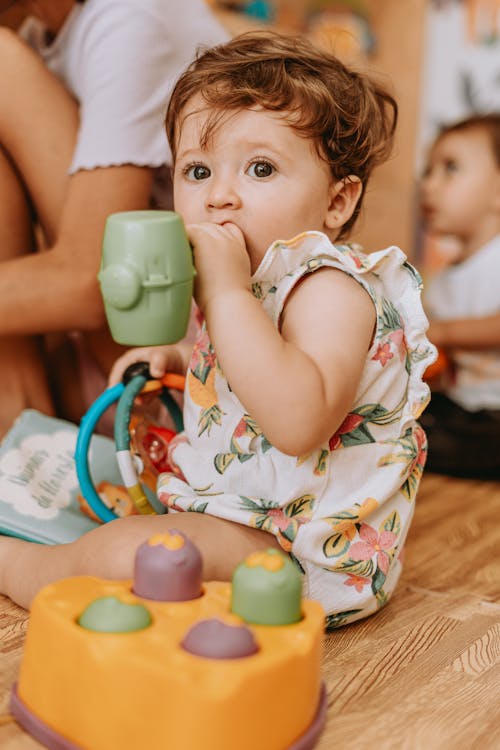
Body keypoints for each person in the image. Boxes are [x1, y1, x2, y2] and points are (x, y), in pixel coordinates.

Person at [0, 32, 436, 627]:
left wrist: (226, 293)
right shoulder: (252, 283)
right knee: (120, 512)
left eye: (260, 168)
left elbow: (297, 419)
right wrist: (181, 356)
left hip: (305, 556)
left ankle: (14, 563)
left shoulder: (333, 291)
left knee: (128, 552)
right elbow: (245, 362)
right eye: (197, 170)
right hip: (248, 516)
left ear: (337, 202)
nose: (219, 197)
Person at [0, 0, 229, 437]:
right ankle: (19, 426)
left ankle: (20, 429)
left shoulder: (131, 17)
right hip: (100, 364)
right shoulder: (40, 39)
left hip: (185, 376)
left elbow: (93, 283)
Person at [420, 113, 500, 478]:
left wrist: (442, 333)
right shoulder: (442, 278)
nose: (429, 185)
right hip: (466, 408)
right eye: (428, 170)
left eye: (450, 168)